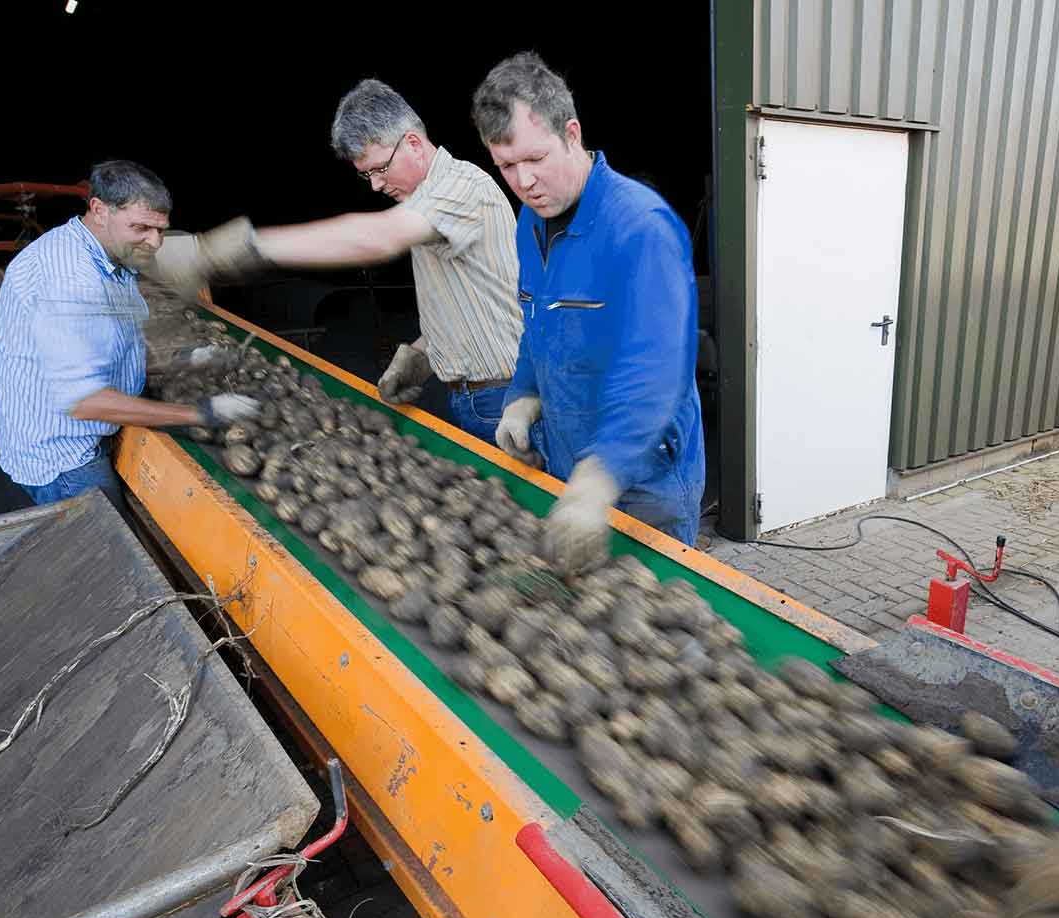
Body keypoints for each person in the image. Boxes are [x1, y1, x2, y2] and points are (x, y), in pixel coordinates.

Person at [149, 80, 523, 445]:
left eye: (380, 168)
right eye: (366, 174)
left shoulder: (462, 188)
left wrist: (223, 250)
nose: (375, 185)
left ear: (412, 142)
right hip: (471, 396)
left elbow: (377, 238)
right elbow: (470, 294)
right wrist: (424, 354)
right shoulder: (427, 204)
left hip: (503, 396)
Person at [473, 53, 705, 570]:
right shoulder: (528, 225)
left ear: (572, 134)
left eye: (536, 158)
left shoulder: (641, 227)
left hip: (646, 478)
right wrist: (521, 397)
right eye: (507, 166)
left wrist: (600, 477)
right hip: (566, 461)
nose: (524, 180)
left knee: (655, 618)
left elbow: (658, 369)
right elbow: (539, 324)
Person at [0, 160, 259, 506]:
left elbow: (110, 342)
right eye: (141, 228)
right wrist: (201, 413)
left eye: (161, 229)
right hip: (66, 458)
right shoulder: (71, 281)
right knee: (106, 552)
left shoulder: (109, 256)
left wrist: (186, 358)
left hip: (86, 432)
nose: (154, 242)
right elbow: (85, 402)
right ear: (99, 209)